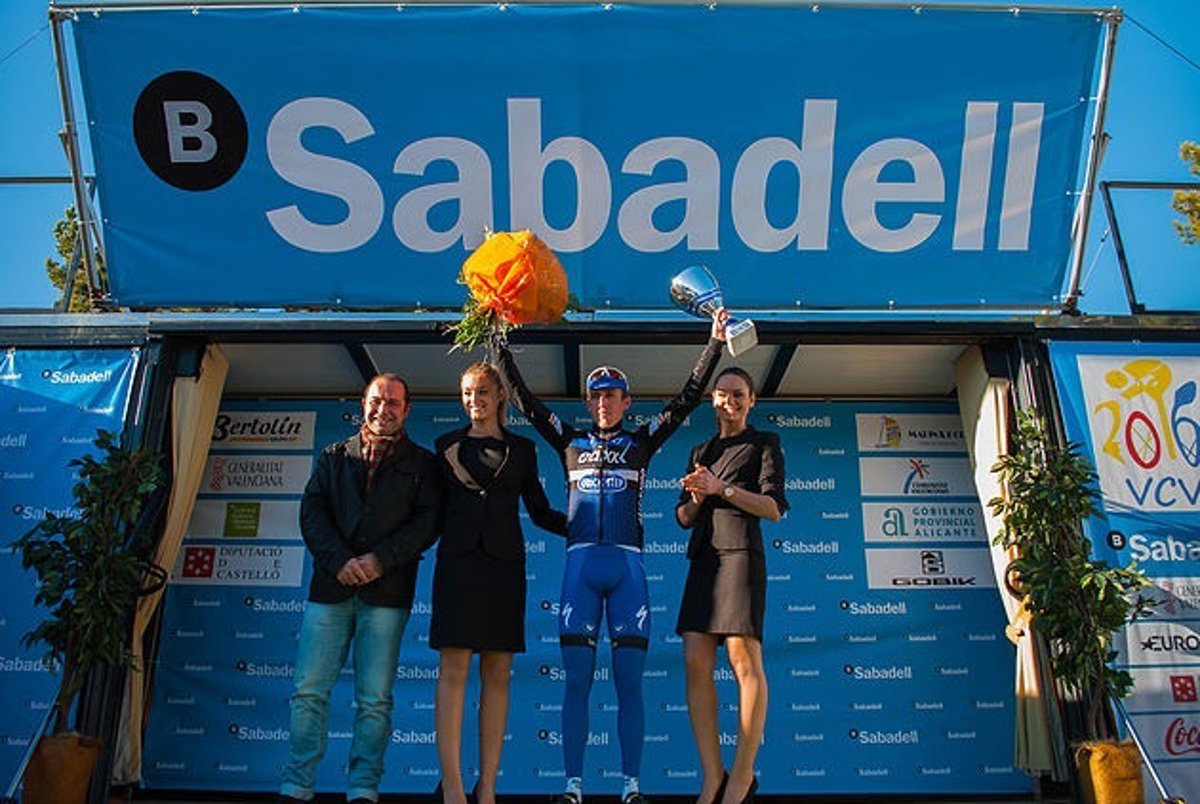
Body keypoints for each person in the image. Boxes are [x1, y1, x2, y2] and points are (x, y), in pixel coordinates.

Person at [494, 310, 727, 804]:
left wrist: (714, 343)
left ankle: (630, 787)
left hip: (627, 572)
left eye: (612, 395)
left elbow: (687, 398)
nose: (603, 403)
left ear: (627, 402)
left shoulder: (641, 441)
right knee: (577, 682)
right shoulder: (569, 441)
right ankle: (573, 787)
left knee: (629, 684)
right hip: (580, 570)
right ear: (588, 402)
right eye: (596, 396)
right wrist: (498, 342)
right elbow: (525, 401)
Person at [278, 373, 441, 804]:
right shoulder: (333, 456)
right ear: (363, 403)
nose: (383, 409)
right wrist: (340, 562)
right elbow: (312, 513)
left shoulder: (423, 465)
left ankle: (363, 789)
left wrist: (379, 561)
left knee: (374, 700)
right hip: (330, 590)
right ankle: (297, 786)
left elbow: (427, 523)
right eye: (376, 400)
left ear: (407, 410)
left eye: (393, 403)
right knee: (309, 691)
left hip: (387, 595)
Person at [431, 362, 567, 804]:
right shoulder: (445, 446)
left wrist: (587, 525)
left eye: (482, 392)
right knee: (453, 670)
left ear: (500, 396)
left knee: (498, 674)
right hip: (457, 567)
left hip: (504, 568)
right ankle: (453, 786)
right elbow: (430, 513)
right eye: (467, 393)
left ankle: (487, 785)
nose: (474, 401)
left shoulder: (524, 449)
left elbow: (541, 512)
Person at [674, 367, 788, 804]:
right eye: (723, 394)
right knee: (695, 659)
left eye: (738, 394)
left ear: (751, 400)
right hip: (704, 558)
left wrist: (722, 489)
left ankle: (742, 777)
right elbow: (683, 517)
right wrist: (698, 496)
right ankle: (712, 777)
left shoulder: (764, 443)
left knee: (743, 659)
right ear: (713, 400)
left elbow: (774, 508)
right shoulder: (700, 450)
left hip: (741, 555)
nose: (730, 401)